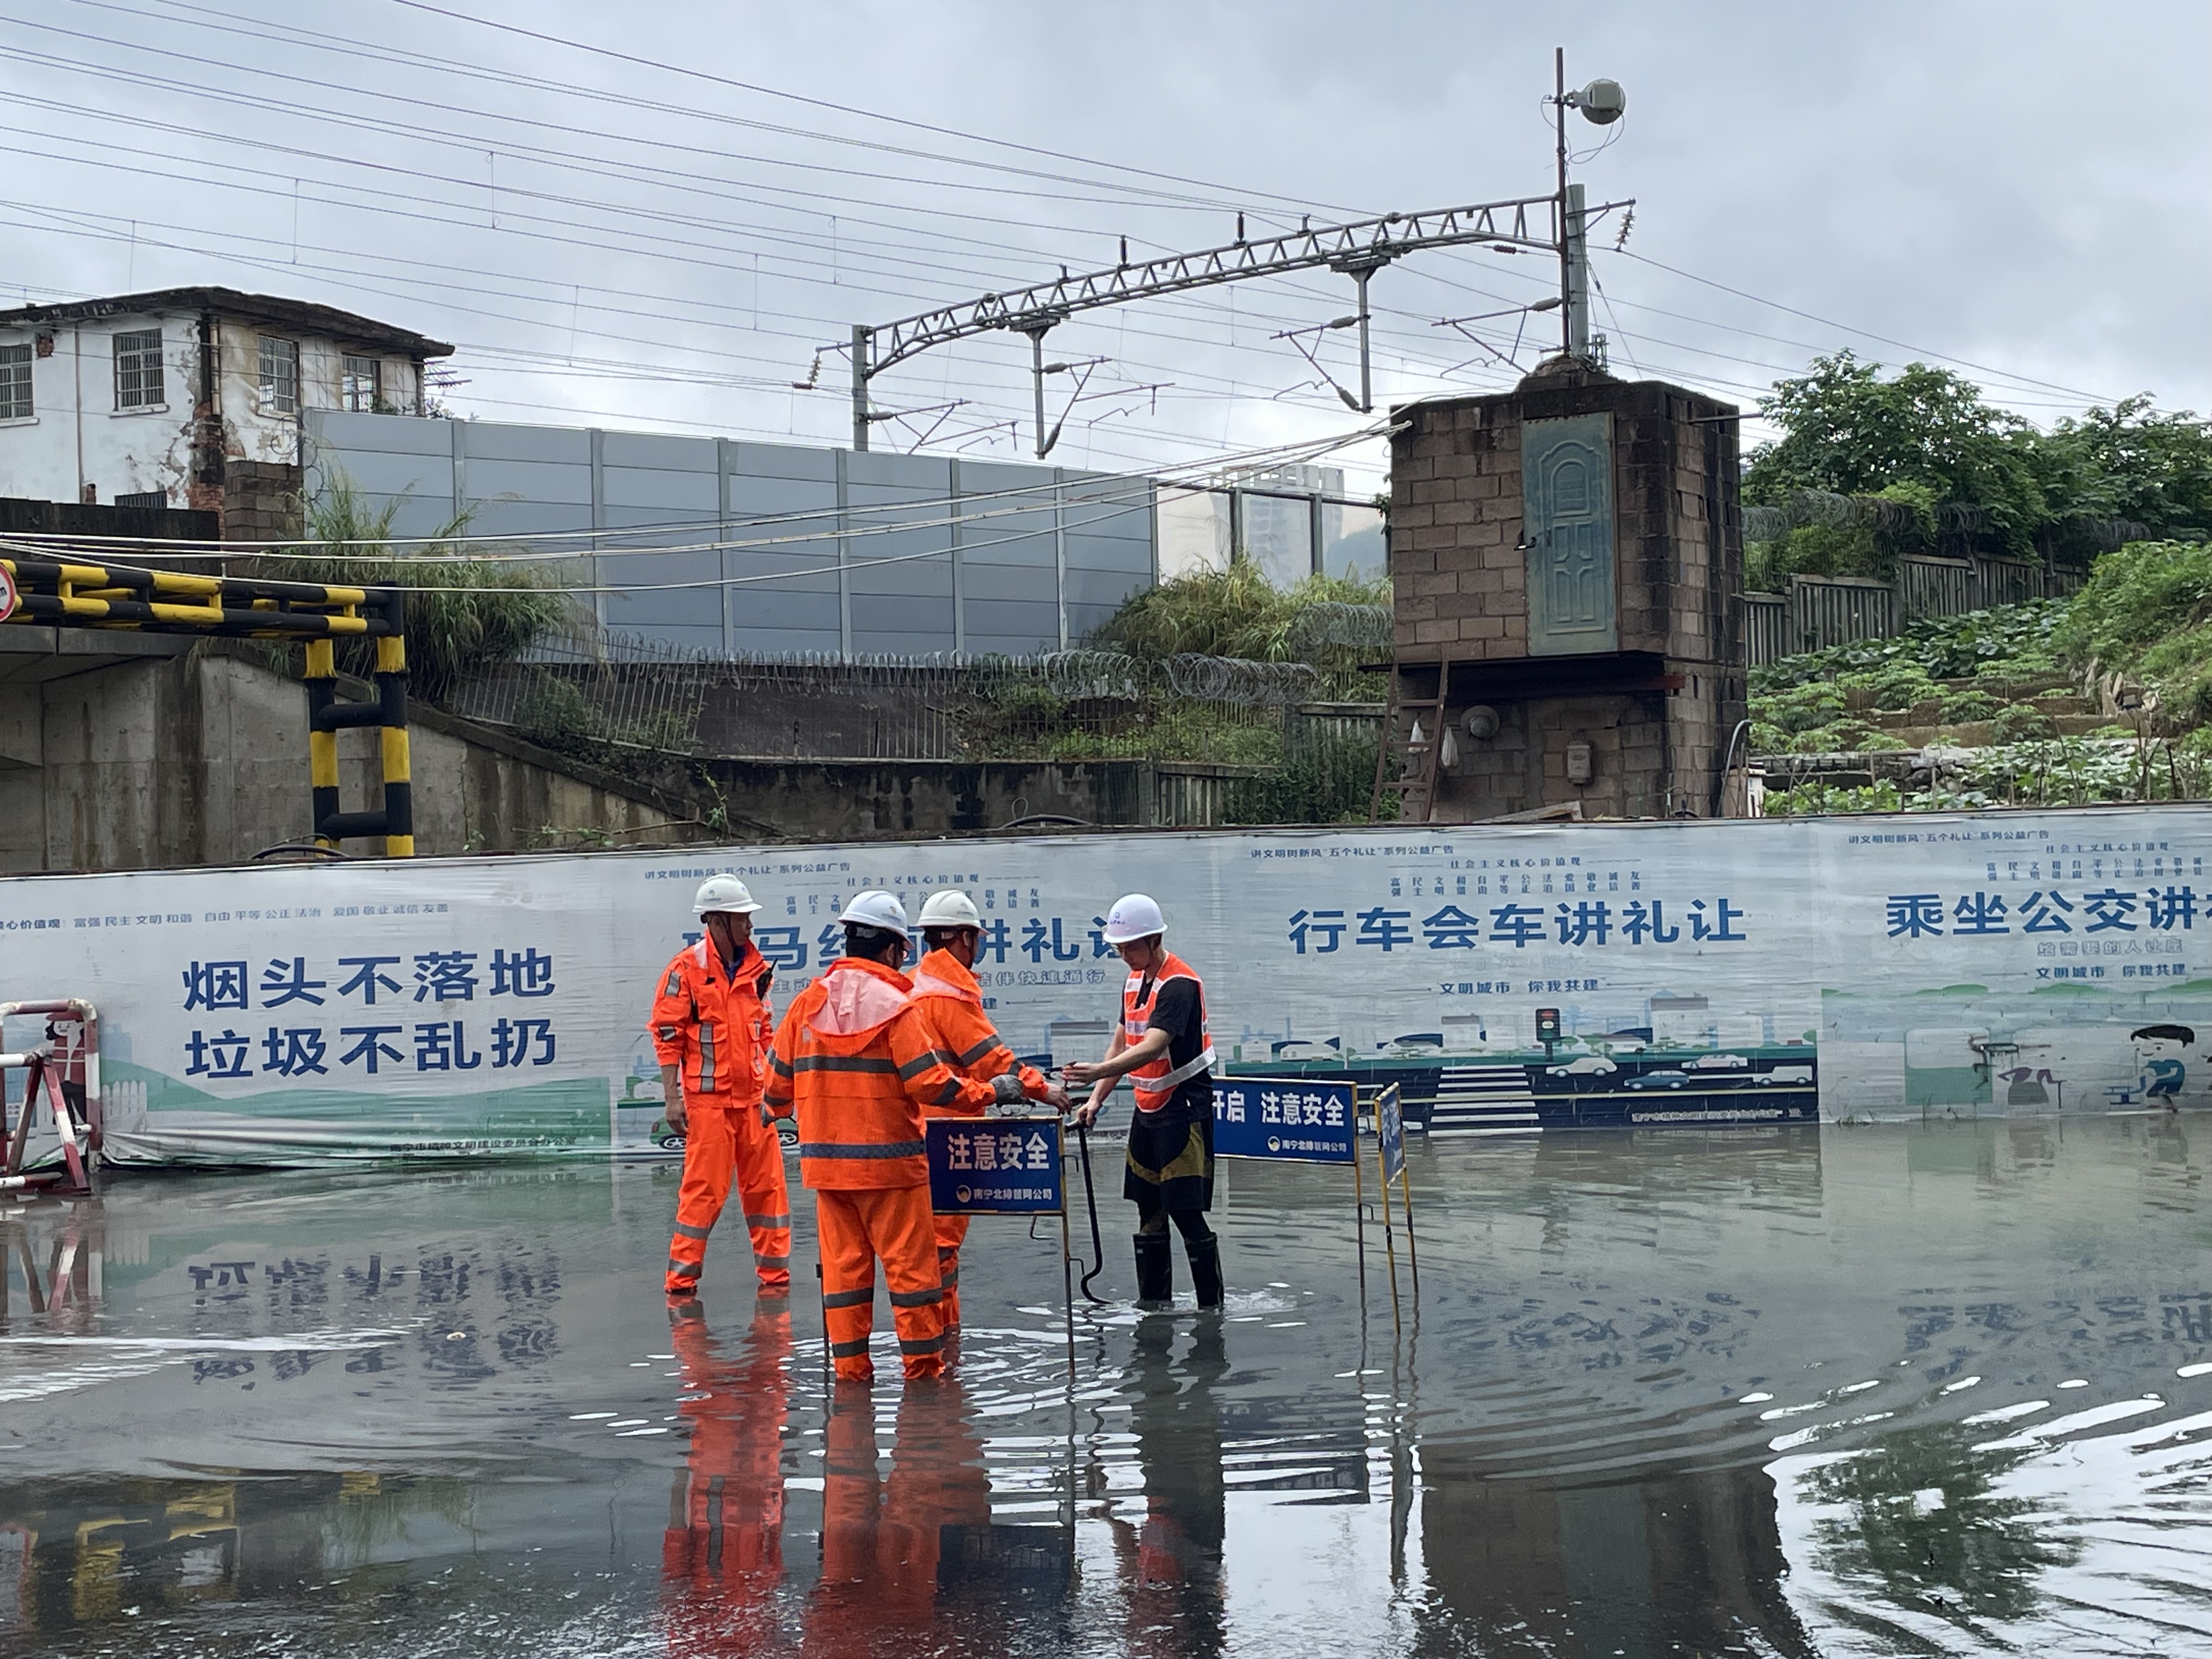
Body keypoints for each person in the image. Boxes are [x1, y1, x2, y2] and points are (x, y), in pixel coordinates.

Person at [763, 892, 1018, 1385]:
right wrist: (994, 1091)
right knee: (913, 1280)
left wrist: (770, 1113)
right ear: (894, 950)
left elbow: (775, 1088)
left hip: (829, 1175)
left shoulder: (804, 1005)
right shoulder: (898, 1009)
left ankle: (851, 1376)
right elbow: (934, 1085)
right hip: (893, 1171)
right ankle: (925, 1386)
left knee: (844, 1281)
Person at [910, 889, 1069, 1335]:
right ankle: (940, 1345)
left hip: (912, 1131)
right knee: (941, 1250)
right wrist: (1045, 1091)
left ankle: (933, 1344)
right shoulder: (949, 994)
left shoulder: (914, 984)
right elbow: (991, 1061)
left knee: (922, 1249)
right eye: (975, 937)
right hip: (947, 1135)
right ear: (963, 938)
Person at [1065, 894, 1223, 1310]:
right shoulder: (1134, 980)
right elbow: (1124, 1038)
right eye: (1118, 947)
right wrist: (1096, 1100)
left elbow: (1154, 1047)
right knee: (1148, 1209)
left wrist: (1097, 1073)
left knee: (1185, 1212)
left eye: (1130, 946)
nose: (1123, 954)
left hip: (1183, 1107)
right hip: (1148, 1107)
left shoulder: (1180, 984)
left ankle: (1211, 1309)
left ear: (1154, 940)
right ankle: (1153, 1307)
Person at [652, 875, 789, 1300]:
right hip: (708, 1104)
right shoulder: (685, 971)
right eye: (740, 918)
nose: (749, 926)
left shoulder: (756, 969)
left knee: (768, 1191)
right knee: (703, 1194)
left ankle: (776, 1279)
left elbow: (765, 1034)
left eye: (748, 917)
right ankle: (681, 1282)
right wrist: (673, 1099)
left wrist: (777, 1092)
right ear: (714, 921)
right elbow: (667, 1036)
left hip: (754, 1103)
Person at [661, 1298, 789, 1659]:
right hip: (750, 1479)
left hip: (725, 1477)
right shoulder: (749, 1633)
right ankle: (771, 1310)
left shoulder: (690, 1642)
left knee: (719, 1388)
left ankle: (690, 1315)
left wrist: (678, 1483)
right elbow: (775, 1549)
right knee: (764, 1381)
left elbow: (676, 1556)